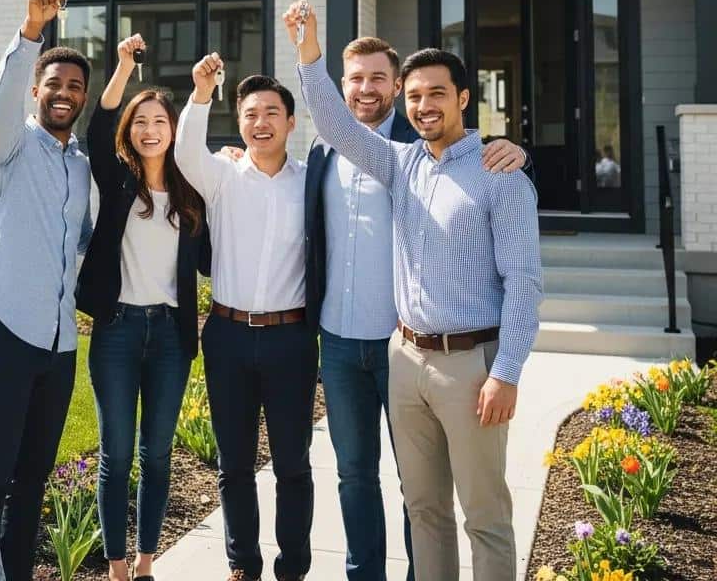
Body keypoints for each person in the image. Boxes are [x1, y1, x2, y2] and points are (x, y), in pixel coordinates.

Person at [222, 36, 531, 581]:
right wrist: (308, 54)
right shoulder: (344, 157)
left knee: (452, 501)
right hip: (352, 345)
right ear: (344, 87)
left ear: (463, 98)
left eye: (433, 93)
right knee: (366, 480)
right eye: (355, 79)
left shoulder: (457, 160)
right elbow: (333, 131)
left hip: (426, 349)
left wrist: (505, 371)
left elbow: (524, 280)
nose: (422, 103)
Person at [0, 0, 92, 581]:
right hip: (3, 331)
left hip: (59, 345)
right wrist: (31, 30)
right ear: (37, 91)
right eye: (54, 85)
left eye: (74, 88)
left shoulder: (81, 165)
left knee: (33, 480)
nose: (63, 94)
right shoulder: (9, 146)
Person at [175, 56, 317, 581]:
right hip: (228, 336)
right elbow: (185, 151)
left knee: (293, 466)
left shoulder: (311, 182)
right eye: (251, 114)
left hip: (291, 339)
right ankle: (243, 564)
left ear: (290, 123)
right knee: (233, 464)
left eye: (271, 113)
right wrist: (201, 91)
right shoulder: (222, 177)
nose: (261, 122)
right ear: (239, 123)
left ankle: (293, 567)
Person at [76, 34, 211, 581]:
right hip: (118, 331)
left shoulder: (190, 193)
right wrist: (124, 68)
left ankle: (148, 561)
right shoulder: (117, 182)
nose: (149, 129)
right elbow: (98, 125)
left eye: (159, 121)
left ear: (172, 130)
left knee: (156, 455)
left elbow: (207, 260)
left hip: (172, 338)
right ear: (131, 132)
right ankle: (116, 568)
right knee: (116, 454)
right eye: (141, 122)